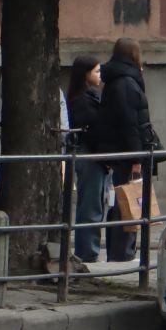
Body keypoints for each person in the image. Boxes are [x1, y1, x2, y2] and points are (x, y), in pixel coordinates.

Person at [91, 36, 158, 262]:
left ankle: (122, 250)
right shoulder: (126, 82)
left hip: (121, 150)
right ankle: (122, 252)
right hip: (127, 152)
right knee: (126, 201)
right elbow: (129, 122)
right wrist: (137, 156)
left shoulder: (118, 80)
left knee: (123, 200)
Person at [66, 55, 106, 266]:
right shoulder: (82, 99)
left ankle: (89, 250)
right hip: (89, 153)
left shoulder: (92, 95)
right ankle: (87, 252)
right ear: (85, 74)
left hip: (93, 152)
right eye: (97, 71)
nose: (100, 75)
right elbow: (92, 128)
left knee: (95, 202)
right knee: (90, 204)